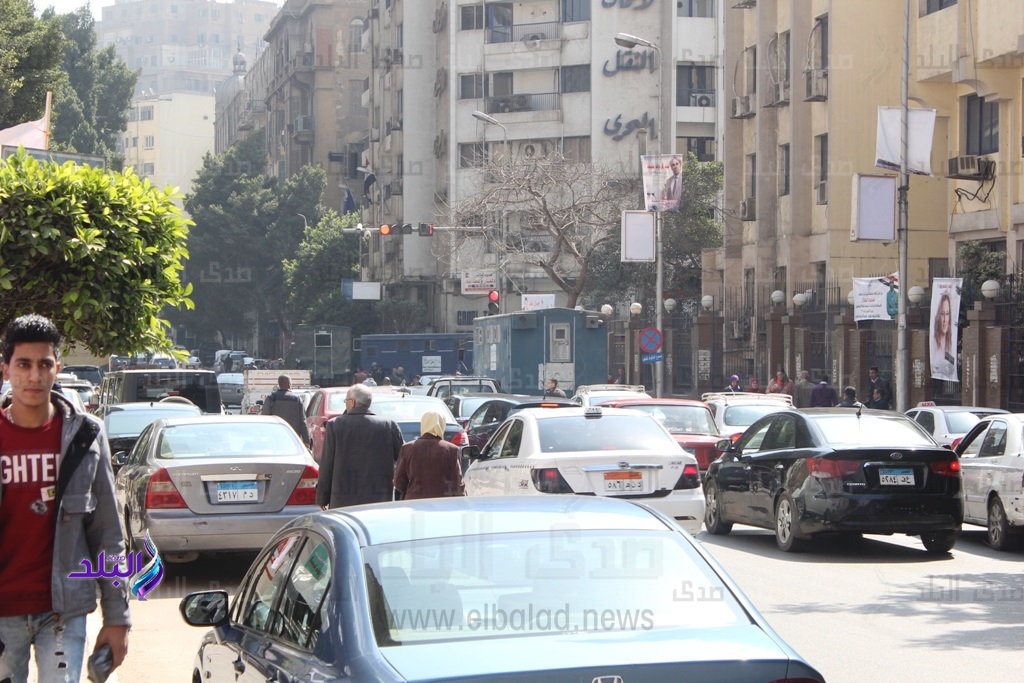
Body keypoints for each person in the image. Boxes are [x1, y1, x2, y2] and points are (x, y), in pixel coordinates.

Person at [0, 314, 131, 682]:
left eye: (44, 364)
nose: (35, 376)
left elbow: (108, 534)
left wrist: (118, 618)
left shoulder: (86, 437)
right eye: (23, 365)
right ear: (5, 369)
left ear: (58, 367)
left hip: (63, 613)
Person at [316, 383, 404, 509]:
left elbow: (327, 464)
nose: (346, 404)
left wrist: (322, 498)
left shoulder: (335, 425)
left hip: (343, 499)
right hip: (379, 499)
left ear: (352, 402)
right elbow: (403, 460)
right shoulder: (389, 425)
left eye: (346, 401)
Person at [393, 410, 465, 499]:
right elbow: (457, 484)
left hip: (414, 501)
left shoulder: (407, 448)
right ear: (442, 425)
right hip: (442, 502)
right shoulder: (451, 449)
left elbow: (399, 483)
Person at [260, 375, 311, 448]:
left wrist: (263, 436)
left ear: (279, 384)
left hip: (275, 437)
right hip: (293, 437)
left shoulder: (271, 397)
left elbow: (265, 417)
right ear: (289, 384)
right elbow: (302, 421)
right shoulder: (297, 399)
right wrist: (306, 441)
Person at [931, 293, 955, 380]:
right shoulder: (934, 342)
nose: (945, 320)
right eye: (942, 314)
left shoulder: (951, 342)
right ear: (938, 316)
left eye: (947, 314)